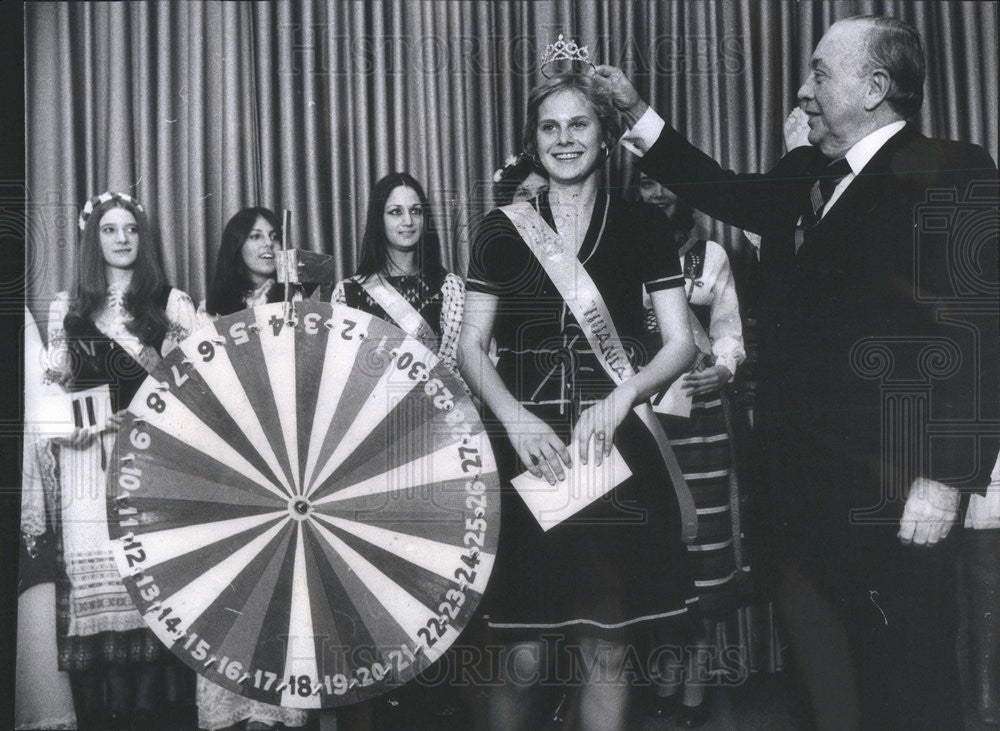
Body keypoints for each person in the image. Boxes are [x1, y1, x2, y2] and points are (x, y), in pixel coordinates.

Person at [596, 14, 999, 728]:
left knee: (909, 685)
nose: (803, 90)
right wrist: (633, 109)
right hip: (799, 494)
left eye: (819, 71)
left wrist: (947, 475)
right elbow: (721, 189)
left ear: (875, 87)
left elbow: (981, 330)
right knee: (830, 690)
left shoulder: (954, 169)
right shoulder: (808, 174)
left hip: (894, 498)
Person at [459, 71, 698, 731]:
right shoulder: (501, 230)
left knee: (606, 642)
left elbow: (681, 344)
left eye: (579, 124)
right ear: (533, 142)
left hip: (612, 446)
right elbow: (469, 346)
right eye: (549, 127)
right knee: (524, 654)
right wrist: (511, 414)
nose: (565, 139)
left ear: (607, 133)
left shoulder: (644, 223)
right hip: (529, 448)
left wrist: (624, 396)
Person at [44, 191, 198, 729]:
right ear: (95, 238)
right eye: (110, 230)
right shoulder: (70, 307)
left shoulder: (172, 305)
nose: (122, 238)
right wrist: (85, 422)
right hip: (90, 465)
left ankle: (158, 713)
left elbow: (200, 392)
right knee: (103, 585)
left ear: (142, 236)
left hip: (154, 463)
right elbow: (48, 395)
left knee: (154, 581)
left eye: (130, 228)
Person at [194, 206, 309, 731]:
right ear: (235, 246)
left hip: (290, 466)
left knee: (287, 589)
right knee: (234, 593)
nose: (267, 244)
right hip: (233, 468)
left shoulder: (302, 303)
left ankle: (276, 710)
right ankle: (231, 708)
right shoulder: (208, 313)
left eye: (274, 236)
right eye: (255, 236)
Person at [636, 175, 746, 727]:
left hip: (700, 420)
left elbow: (729, 332)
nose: (657, 195)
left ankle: (696, 691)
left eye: (666, 185)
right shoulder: (624, 248)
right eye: (646, 185)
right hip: (643, 422)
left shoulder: (712, 256)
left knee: (704, 552)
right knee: (659, 548)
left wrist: (722, 371)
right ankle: (663, 679)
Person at [332, 172, 465, 376]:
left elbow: (454, 373)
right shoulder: (347, 292)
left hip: (433, 404)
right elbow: (342, 371)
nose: (408, 221)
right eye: (395, 212)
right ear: (379, 219)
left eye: (416, 211)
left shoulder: (448, 288)